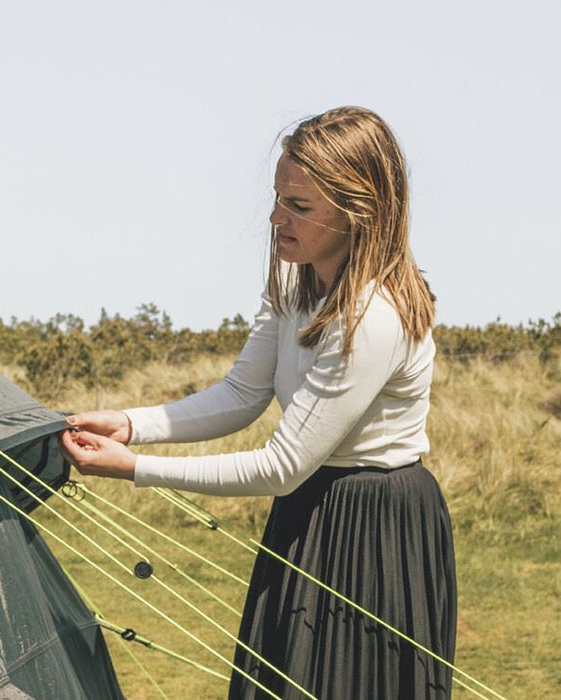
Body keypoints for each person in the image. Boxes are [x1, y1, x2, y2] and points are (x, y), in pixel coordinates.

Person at [60, 106, 456, 699]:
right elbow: (243, 394)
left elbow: (281, 466)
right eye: (278, 198)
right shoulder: (295, 282)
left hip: (375, 529)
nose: (275, 219)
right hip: (308, 513)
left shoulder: (375, 314)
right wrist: (129, 425)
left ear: (359, 210)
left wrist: (134, 469)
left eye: (299, 207)